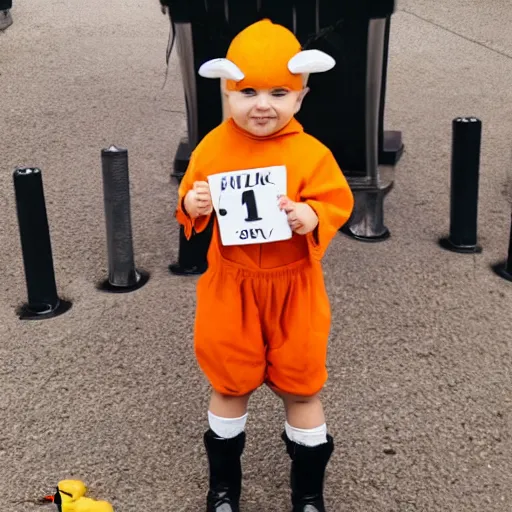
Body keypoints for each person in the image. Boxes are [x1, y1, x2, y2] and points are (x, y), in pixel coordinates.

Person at [175, 19, 354, 512]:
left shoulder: (310, 152)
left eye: (279, 91)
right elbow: (188, 200)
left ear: (300, 95)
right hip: (230, 286)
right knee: (229, 382)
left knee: (302, 383)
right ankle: (224, 489)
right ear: (227, 90)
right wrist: (193, 204)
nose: (262, 104)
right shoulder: (212, 147)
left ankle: (309, 495)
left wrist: (312, 214)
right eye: (247, 90)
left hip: (294, 287)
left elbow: (336, 201)